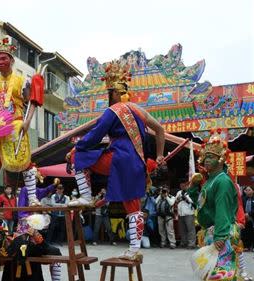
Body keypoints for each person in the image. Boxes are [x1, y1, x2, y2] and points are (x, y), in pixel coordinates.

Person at [67, 60, 165, 260]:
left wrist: (78, 147)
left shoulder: (113, 111)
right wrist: (160, 155)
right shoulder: (140, 110)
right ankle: (134, 250)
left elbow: (96, 134)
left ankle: (85, 196)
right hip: (137, 162)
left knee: (79, 156)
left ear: (112, 93)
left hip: (119, 158)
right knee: (133, 206)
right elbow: (161, 130)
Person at [190, 131, 248, 281]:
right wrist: (192, 187)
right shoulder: (210, 180)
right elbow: (201, 204)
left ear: (221, 159)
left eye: (211, 157)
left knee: (219, 272)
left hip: (220, 230)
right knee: (223, 269)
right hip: (212, 230)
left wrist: (220, 236)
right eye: (204, 156)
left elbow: (222, 211)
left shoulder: (222, 181)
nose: (205, 160)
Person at [0, 36, 41, 207]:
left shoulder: (21, 81)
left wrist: (27, 121)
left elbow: (32, 102)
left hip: (15, 123)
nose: (0, 62)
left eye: (4, 58)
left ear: (11, 60)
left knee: (24, 161)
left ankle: (33, 198)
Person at [175, 180, 196, 248]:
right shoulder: (179, 192)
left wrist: (186, 199)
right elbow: (175, 201)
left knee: (190, 229)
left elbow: (194, 203)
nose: (182, 187)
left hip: (189, 213)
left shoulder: (191, 192)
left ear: (187, 185)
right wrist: (178, 199)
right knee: (182, 230)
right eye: (181, 185)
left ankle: (191, 244)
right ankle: (183, 242)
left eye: (183, 185)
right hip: (181, 213)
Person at [241, 186, 254, 252]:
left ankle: (252, 246)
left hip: (252, 217)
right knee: (245, 231)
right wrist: (244, 214)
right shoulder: (243, 198)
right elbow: (241, 207)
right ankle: (246, 246)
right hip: (245, 217)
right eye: (246, 190)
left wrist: (249, 214)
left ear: (252, 191)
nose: (247, 191)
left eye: (249, 190)